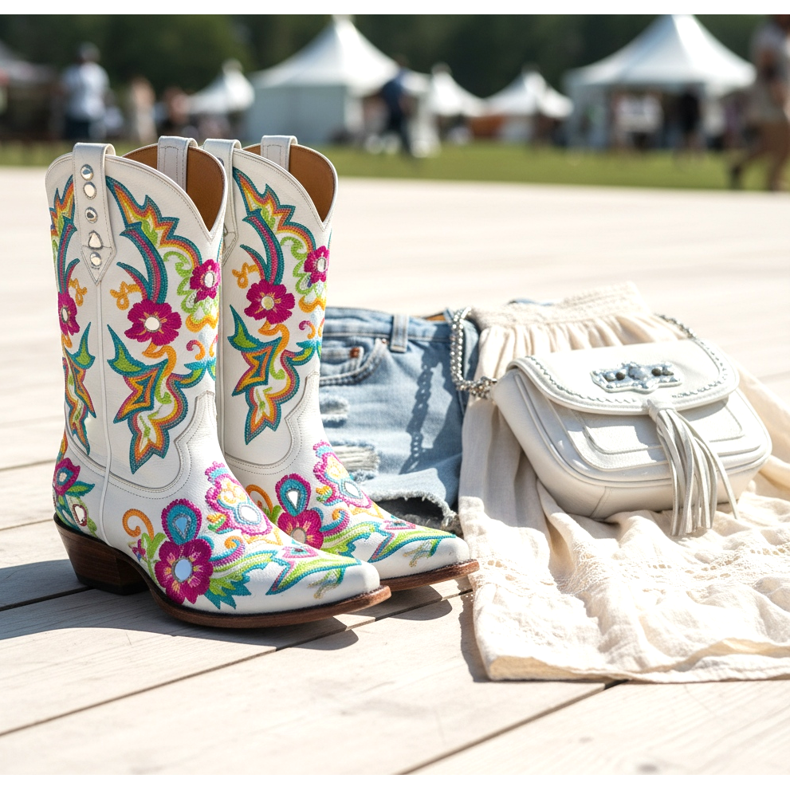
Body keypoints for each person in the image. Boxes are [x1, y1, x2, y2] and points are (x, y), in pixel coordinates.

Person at [730, 15, 790, 190]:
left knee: (771, 143)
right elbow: (767, 66)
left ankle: (740, 167)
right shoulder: (768, 34)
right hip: (769, 95)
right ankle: (773, 178)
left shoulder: (783, 34)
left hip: (783, 93)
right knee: (779, 138)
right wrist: (777, 90)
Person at [60, 42, 110, 142]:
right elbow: (64, 92)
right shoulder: (71, 72)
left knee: (93, 140)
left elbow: (103, 92)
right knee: (76, 140)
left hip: (94, 112)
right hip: (75, 112)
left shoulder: (98, 72)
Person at [380, 56, 414, 156]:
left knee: (389, 131)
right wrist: (406, 108)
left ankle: (378, 147)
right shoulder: (400, 78)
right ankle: (406, 152)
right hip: (398, 111)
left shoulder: (395, 79)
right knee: (401, 133)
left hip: (394, 110)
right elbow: (402, 95)